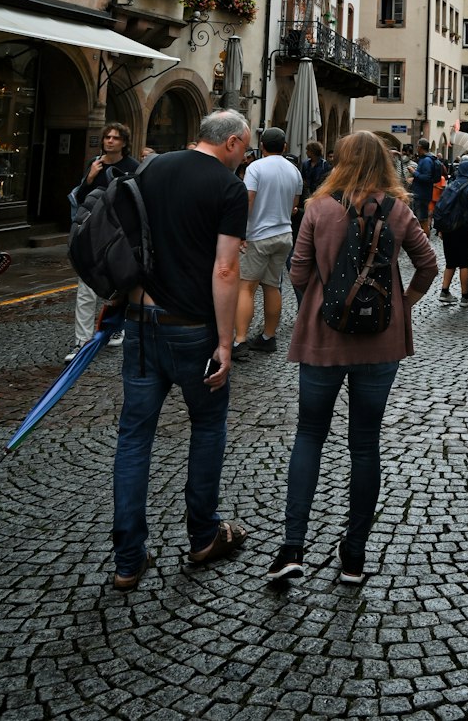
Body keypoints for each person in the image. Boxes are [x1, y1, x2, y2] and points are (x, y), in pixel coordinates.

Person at [266, 131, 437, 584]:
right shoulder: (399, 210)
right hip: (380, 342)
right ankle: (354, 557)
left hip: (323, 339)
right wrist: (403, 303)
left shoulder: (319, 208)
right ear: (384, 162)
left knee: (309, 435)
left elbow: (298, 269)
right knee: (364, 443)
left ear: (340, 161)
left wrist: (320, 308)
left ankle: (292, 548)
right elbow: (428, 265)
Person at [111, 109, 251, 592]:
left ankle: (128, 560)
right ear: (231, 143)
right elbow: (226, 269)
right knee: (208, 427)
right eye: (245, 148)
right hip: (193, 327)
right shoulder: (229, 188)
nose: (245, 157)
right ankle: (204, 534)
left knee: (134, 437)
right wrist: (225, 342)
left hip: (141, 322)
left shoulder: (149, 168)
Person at [66, 122, 138, 363]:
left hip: (118, 236)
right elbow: (81, 197)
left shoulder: (132, 167)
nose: (110, 141)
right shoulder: (94, 164)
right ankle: (82, 341)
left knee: (121, 287)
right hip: (90, 234)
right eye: (107, 137)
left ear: (124, 143)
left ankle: (117, 324)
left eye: (116, 138)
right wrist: (90, 178)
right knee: (85, 289)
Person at [233, 127, 302, 360]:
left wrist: (241, 231)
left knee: (246, 287)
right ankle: (268, 337)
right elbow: (294, 205)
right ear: (284, 147)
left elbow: (248, 199)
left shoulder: (255, 167)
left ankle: (240, 340)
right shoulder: (294, 170)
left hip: (258, 235)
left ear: (261, 146)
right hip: (284, 234)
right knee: (272, 286)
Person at [437, 158, 468, 305]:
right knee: (464, 262)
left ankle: (444, 291)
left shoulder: (451, 184)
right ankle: (465, 297)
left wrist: (440, 228)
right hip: (463, 228)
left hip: (448, 228)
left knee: (450, 262)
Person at [410, 139, 440, 235]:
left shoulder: (426, 160)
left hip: (422, 195)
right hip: (421, 194)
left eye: (417, 146)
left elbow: (427, 177)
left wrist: (414, 173)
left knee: (422, 221)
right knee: (419, 221)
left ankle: (426, 244)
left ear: (420, 147)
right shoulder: (425, 159)